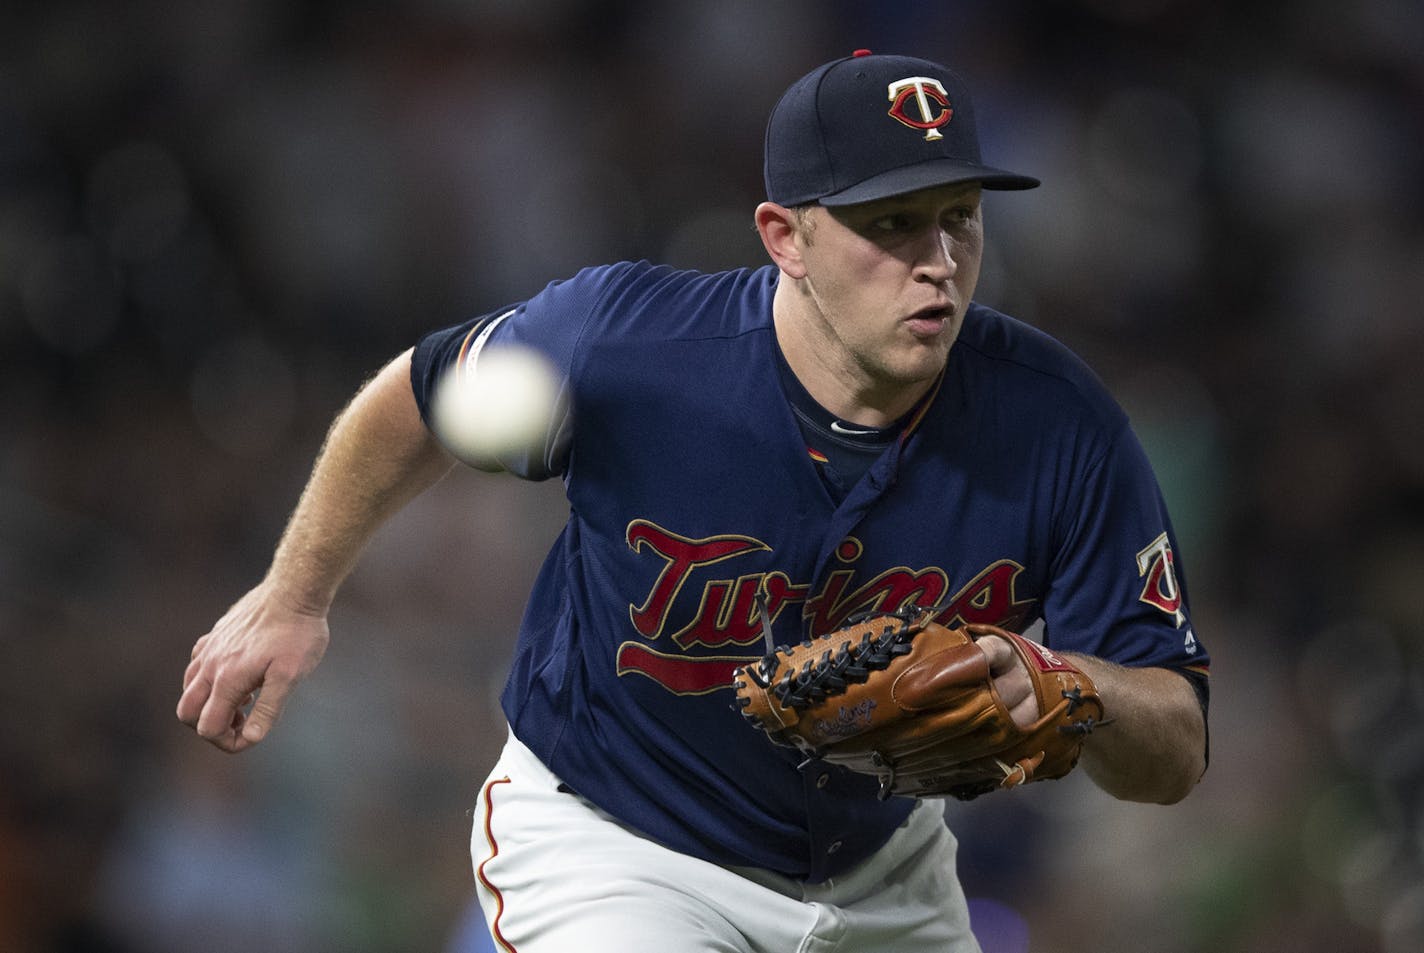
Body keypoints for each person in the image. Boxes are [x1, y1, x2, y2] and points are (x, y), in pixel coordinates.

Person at [178, 50, 1210, 952]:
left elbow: (1173, 745)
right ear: (782, 235)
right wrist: (291, 595)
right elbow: (415, 399)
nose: (936, 261)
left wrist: (1073, 682)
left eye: (957, 219)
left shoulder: (1054, 424)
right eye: (890, 224)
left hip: (881, 868)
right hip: (620, 847)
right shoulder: (628, 348)